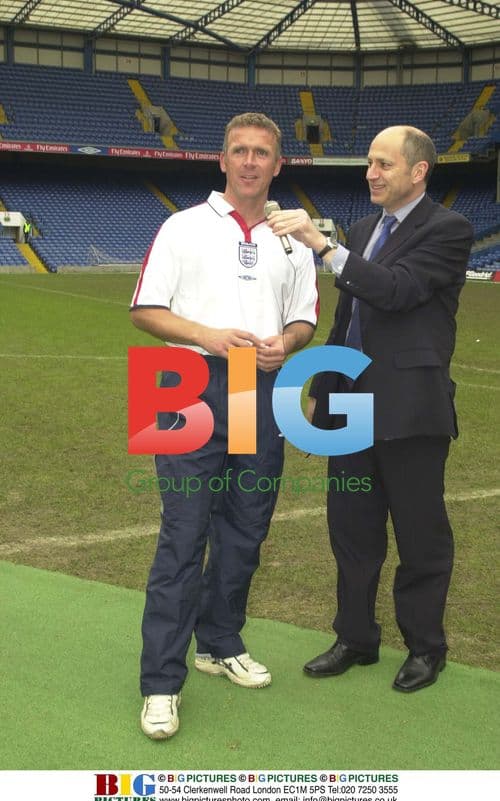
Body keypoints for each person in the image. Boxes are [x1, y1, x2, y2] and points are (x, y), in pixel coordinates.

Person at [265, 125, 474, 693]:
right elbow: (347, 321)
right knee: (351, 531)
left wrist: (324, 246)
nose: (371, 174)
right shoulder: (363, 229)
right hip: (350, 406)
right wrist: (323, 385)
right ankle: (355, 638)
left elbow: (397, 290)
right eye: (370, 163)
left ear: (418, 171)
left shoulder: (448, 229)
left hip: (410, 409)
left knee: (420, 535)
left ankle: (426, 647)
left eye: (384, 164)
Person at [130, 112, 318, 739]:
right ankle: (161, 682)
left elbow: (304, 319)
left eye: (261, 152)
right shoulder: (182, 226)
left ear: (277, 164)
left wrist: (286, 344)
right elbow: (145, 310)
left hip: (256, 385)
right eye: (239, 150)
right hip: (185, 381)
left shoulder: (293, 239)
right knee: (183, 532)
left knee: (245, 529)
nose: (249, 161)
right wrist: (207, 336)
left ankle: (219, 641)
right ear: (222, 159)